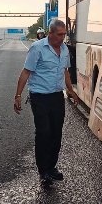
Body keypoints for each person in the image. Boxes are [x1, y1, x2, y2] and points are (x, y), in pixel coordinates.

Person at [14, 19, 79, 186]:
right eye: (60, 34)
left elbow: (65, 72)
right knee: (44, 132)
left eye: (64, 34)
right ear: (51, 33)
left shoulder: (64, 49)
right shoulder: (37, 48)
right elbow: (26, 72)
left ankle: (51, 167)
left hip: (57, 96)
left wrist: (71, 92)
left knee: (56, 133)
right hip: (39, 97)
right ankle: (43, 171)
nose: (63, 38)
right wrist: (18, 95)